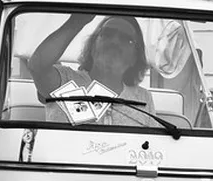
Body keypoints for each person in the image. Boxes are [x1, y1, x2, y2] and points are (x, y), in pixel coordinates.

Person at [29, 13, 158, 127]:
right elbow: (37, 66)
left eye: (126, 39)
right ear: (92, 46)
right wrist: (76, 22)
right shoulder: (65, 80)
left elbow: (154, 145)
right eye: (107, 33)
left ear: (135, 58)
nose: (114, 41)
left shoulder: (143, 98)